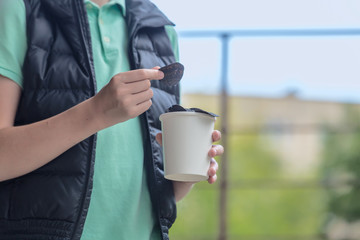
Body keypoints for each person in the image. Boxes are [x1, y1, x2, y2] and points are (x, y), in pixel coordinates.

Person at [0, 0, 224, 239]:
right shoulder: (17, 8)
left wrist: (186, 173)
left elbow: (152, 197)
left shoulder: (160, 28)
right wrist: (95, 113)